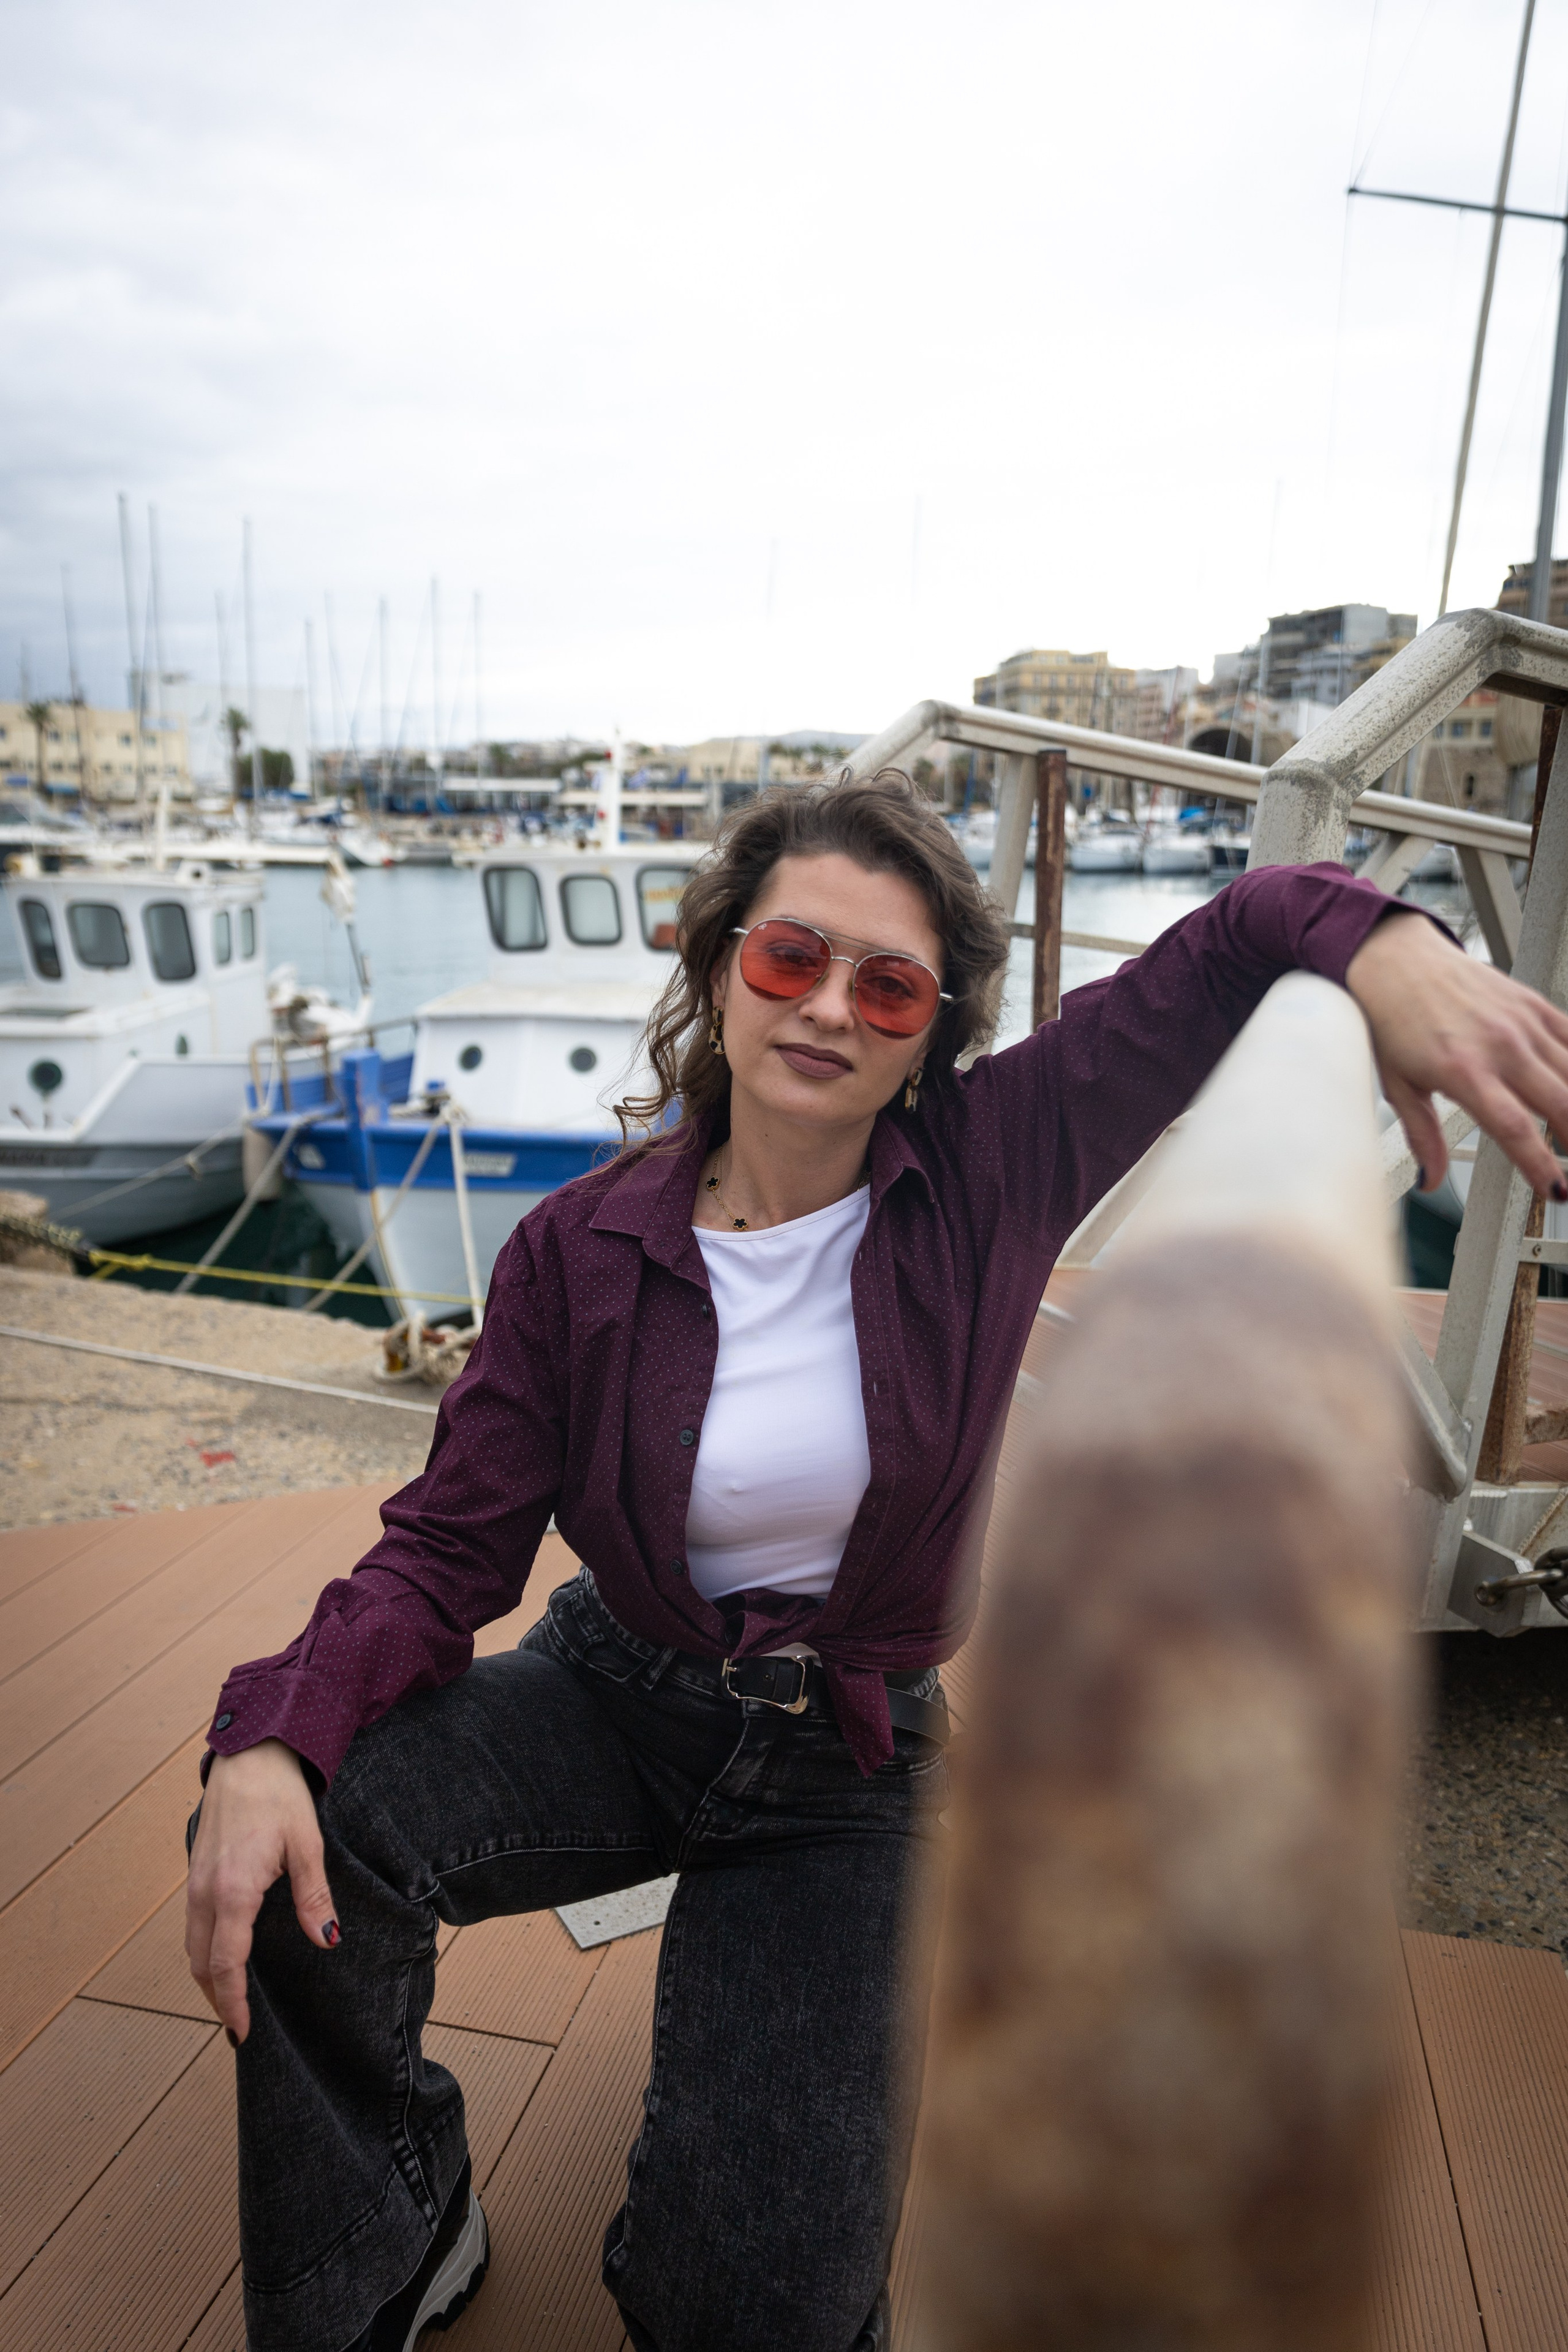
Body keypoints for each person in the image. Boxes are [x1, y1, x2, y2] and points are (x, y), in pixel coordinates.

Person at [186, 769, 1568, 2352]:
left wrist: (1383, 946)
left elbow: (1232, 944)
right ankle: (399, 2214)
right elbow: (444, 1553)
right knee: (310, 1820)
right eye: (791, 958)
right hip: (620, 1688)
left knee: (751, 2309)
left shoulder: (999, 1164)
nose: (830, 1007)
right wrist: (278, 1730)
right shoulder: (577, 1252)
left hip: (843, 1762)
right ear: (720, 964)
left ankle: (712, 2199)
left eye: (887, 984)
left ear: (929, 1029)